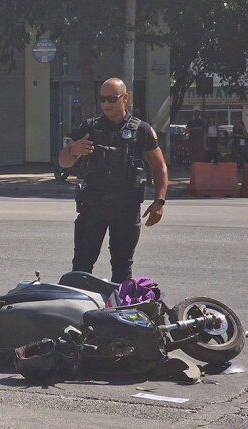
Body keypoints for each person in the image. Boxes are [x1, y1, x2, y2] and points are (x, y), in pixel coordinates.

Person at [58, 78, 168, 284]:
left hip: (126, 208)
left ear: (125, 98)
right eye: (102, 99)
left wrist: (159, 202)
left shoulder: (141, 130)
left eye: (111, 99)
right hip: (92, 206)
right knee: (81, 266)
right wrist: (73, 150)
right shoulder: (89, 127)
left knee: (122, 267)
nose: (106, 104)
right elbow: (63, 162)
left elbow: (159, 167)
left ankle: (119, 304)